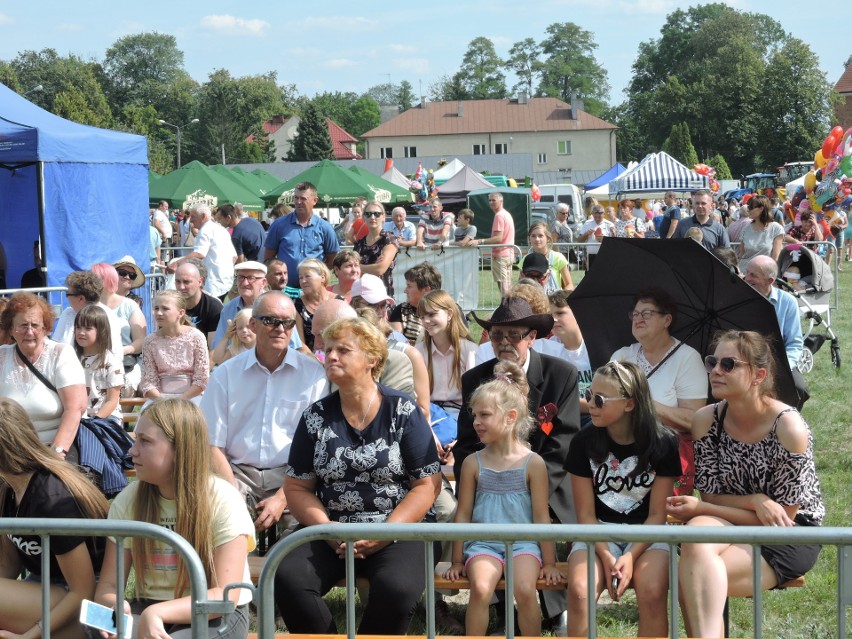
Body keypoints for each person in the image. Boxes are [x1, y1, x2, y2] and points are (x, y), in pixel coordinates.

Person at [273, 317, 441, 635]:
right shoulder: (315, 417)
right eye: (329, 349)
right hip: (331, 531)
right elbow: (296, 486)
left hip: (401, 530)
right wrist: (327, 529)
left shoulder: (403, 411)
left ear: (372, 359)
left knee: (396, 587)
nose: (331, 356)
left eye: (343, 350)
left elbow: (426, 485)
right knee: (287, 576)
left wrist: (386, 533)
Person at [667, 331, 824, 638]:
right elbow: (712, 495)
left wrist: (707, 507)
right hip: (728, 517)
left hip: (789, 533)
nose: (715, 371)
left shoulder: (788, 427)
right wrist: (754, 500)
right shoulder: (705, 420)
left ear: (758, 375)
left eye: (728, 364)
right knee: (695, 536)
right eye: (712, 362)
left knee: (693, 574)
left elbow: (783, 519)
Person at [455, 296, 580, 627]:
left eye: (513, 335)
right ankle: (499, 608)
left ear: (531, 337)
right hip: (489, 481)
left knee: (546, 514)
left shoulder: (560, 374)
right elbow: (467, 445)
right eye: (496, 335)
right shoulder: (475, 379)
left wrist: (528, 484)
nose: (504, 342)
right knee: (477, 508)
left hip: (546, 482)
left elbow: (563, 445)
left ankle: (554, 609)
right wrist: (486, 477)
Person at [93, 399, 255, 639]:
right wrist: (113, 606)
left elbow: (224, 596)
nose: (131, 450)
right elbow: (108, 586)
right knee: (96, 630)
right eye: (135, 438)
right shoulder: (128, 500)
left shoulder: (223, 499)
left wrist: (158, 612)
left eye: (145, 441)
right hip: (148, 606)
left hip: (215, 613)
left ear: (181, 449)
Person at [444, 361, 562, 637]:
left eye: (484, 415)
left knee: (524, 590)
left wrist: (550, 563)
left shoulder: (533, 463)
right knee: (481, 589)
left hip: (523, 544)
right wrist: (458, 560)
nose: (476, 423)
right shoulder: (474, 462)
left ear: (510, 417)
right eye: (474, 415)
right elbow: (463, 513)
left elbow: (541, 516)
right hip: (484, 544)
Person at [565, 361, 681, 637]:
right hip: (596, 531)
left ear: (629, 404)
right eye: (589, 395)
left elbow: (656, 516)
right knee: (580, 590)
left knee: (652, 591)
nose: (590, 404)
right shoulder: (583, 442)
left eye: (600, 399)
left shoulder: (662, 443)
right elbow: (585, 516)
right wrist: (607, 556)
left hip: (648, 534)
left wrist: (629, 556)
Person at [201, 291, 329, 534]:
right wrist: (233, 496)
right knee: (217, 532)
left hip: (294, 479)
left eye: (287, 322)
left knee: (295, 553)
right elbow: (211, 445)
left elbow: (318, 448)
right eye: (270, 320)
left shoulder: (314, 376)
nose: (280, 328)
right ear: (252, 324)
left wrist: (283, 498)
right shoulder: (225, 375)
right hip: (236, 475)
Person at [0, 397, 108, 639]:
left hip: (92, 610)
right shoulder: (8, 488)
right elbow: (8, 566)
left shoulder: (51, 497)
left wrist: (30, 635)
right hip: (49, 592)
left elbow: (83, 589)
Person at [610, 288, 706, 495]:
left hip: (666, 452)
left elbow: (693, 420)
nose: (638, 319)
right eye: (635, 314)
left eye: (647, 314)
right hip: (620, 447)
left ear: (667, 320)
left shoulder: (687, 358)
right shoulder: (623, 356)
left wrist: (644, 402)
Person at [0, 292, 87, 455]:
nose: (30, 332)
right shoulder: (2, 356)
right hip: (9, 450)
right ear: (11, 328)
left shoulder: (61, 354)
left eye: (35, 325)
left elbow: (75, 408)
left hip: (54, 446)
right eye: (23, 325)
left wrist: (58, 452)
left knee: (49, 481)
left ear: (46, 328)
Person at [416, 289, 478, 448]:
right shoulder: (419, 352)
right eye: (422, 317)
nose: (426, 321)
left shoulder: (469, 350)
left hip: (461, 416)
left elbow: (475, 399)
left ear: (449, 314)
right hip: (429, 417)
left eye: (432, 314)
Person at [264, 181, 340, 290]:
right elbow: (269, 258)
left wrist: (318, 274)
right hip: (286, 288)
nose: (298, 202)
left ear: (315, 200)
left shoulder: (325, 227)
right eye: (296, 198)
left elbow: (333, 256)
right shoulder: (279, 225)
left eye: (303, 199)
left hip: (314, 289)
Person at [139, 290, 209, 401]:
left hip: (192, 397)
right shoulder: (150, 341)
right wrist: (162, 401)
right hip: (160, 400)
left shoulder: (196, 337)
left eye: (165, 309)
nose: (159, 313)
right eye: (156, 308)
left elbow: (202, 378)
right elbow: (148, 381)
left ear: (180, 313)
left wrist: (181, 400)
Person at [92, 263, 147, 397]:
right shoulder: (88, 305)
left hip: (125, 362)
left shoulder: (130, 305)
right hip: (93, 360)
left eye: (132, 275)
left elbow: (141, 341)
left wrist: (120, 351)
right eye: (122, 272)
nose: (127, 277)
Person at [167, 204, 237, 300]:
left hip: (213, 284)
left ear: (203, 216)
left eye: (193, 216)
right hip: (227, 281)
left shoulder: (205, 230)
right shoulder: (221, 229)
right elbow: (234, 257)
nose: (190, 220)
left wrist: (176, 263)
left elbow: (199, 254)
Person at [53, 271, 124, 365]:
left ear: (81, 298)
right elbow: (56, 345)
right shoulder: (67, 313)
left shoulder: (106, 316)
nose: (67, 298)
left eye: (68, 294)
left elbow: (115, 353)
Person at [548, 290, 593, 426]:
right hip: (557, 416)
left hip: (592, 415)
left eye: (560, 313)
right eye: (550, 315)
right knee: (539, 430)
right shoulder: (547, 348)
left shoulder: (595, 346)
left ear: (578, 313)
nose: (554, 319)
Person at [73, 304, 124, 425]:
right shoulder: (71, 359)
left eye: (87, 328)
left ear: (101, 331)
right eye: (78, 327)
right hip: (78, 416)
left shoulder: (111, 361)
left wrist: (95, 421)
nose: (81, 332)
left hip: (107, 418)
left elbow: (112, 401)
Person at [468, 192, 515, 297]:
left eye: (494, 200)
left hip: (501, 255)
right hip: (508, 254)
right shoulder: (506, 214)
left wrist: (479, 241)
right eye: (489, 200)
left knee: (503, 287)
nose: (491, 202)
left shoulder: (499, 216)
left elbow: (498, 238)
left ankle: (508, 309)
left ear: (501, 201)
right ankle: (510, 308)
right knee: (507, 286)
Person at [175, 259, 223, 351]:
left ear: (200, 281)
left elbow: (213, 349)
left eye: (186, 282)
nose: (181, 287)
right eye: (177, 281)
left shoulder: (213, 307)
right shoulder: (170, 304)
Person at [389, 262, 441, 345]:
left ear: (426, 290)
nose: (405, 291)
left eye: (409, 286)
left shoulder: (447, 310)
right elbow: (395, 345)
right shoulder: (401, 311)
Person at [355, 201, 399, 296]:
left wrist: (357, 267)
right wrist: (370, 268)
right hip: (361, 294)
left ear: (383, 217)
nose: (372, 217)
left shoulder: (389, 239)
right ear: (364, 217)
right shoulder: (359, 243)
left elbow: (380, 269)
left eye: (377, 214)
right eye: (368, 214)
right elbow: (352, 272)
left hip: (382, 295)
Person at [294, 258, 339, 352]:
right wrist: (316, 361)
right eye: (300, 277)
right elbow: (300, 343)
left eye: (307, 276)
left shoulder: (339, 301)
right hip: (309, 359)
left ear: (323, 277)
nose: (303, 281)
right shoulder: (298, 305)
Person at [737, 195, 785, 272]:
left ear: (761, 209)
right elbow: (742, 256)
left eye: (751, 207)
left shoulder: (776, 228)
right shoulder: (745, 229)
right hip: (745, 273)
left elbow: (775, 259)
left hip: (764, 274)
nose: (748, 210)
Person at [524, 222, 574, 293]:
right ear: (529, 238)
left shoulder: (558, 258)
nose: (537, 239)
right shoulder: (526, 259)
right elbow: (521, 285)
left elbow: (569, 285)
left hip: (554, 301)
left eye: (540, 236)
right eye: (533, 236)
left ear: (547, 238)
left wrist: (561, 298)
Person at [577, 204, 615, 270]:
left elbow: (614, 242)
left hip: (605, 255)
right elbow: (579, 240)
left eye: (599, 217)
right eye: (595, 217)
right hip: (591, 255)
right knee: (590, 276)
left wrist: (604, 239)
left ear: (604, 214)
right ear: (593, 215)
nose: (597, 219)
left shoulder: (609, 224)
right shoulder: (587, 223)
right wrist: (587, 234)